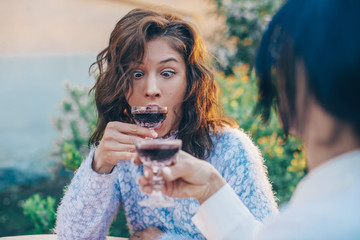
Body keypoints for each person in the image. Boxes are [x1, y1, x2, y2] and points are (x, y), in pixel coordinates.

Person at [138, 0, 360, 239]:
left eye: (282, 72)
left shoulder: (316, 224)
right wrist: (210, 187)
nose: (151, 89)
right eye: (136, 73)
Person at [55, 8, 279, 240]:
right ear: (120, 84)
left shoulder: (230, 148)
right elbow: (73, 238)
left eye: (167, 73)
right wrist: (99, 166)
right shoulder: (120, 153)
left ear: (190, 81)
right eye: (136, 74)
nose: (151, 90)